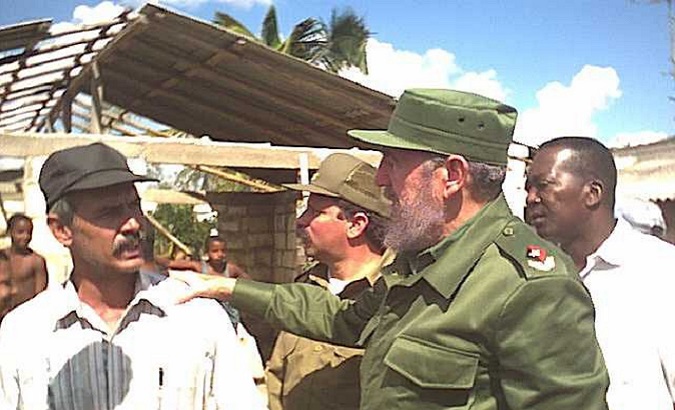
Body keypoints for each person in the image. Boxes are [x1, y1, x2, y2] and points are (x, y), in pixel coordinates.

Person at [172, 89, 610, 409]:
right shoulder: (416, 262)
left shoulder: (529, 287)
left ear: (452, 176)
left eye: (394, 163)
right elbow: (342, 319)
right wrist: (226, 288)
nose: (381, 180)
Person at [0, 143, 264, 409]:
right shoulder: (24, 333)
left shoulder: (198, 317)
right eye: (109, 212)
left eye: (134, 206)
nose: (133, 224)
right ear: (62, 230)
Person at [525, 136, 675, 410]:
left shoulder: (662, 273)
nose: (531, 198)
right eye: (529, 188)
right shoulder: (535, 272)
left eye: (543, 185)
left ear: (592, 193)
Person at [265, 153, 392, 410]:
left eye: (316, 212)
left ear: (356, 225)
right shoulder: (305, 287)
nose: (301, 220)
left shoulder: (393, 297)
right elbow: (277, 375)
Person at [0, 214, 48, 321]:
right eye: (20, 232)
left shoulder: (36, 261)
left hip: (26, 316)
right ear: (10, 232)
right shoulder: (2, 257)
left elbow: (41, 296)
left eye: (29, 233)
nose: (25, 236)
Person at [163, 236, 248, 278]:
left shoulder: (231, 269)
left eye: (223, 250)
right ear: (207, 253)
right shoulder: (200, 267)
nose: (220, 254)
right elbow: (169, 263)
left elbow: (250, 283)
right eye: (215, 251)